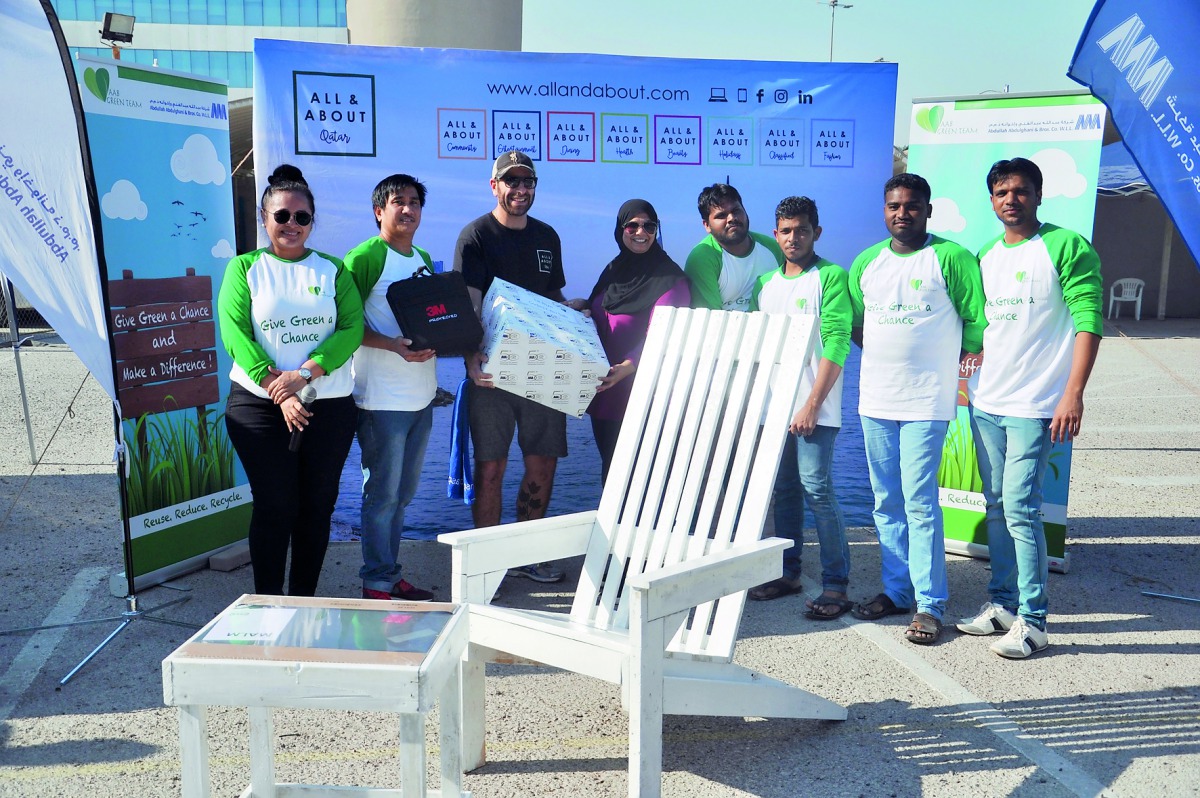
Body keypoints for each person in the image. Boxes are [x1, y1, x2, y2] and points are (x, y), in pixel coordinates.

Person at [956, 157, 1102, 658]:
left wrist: (1073, 392)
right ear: (992, 200)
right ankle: (1001, 604)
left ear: (1038, 195)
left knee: (1020, 507)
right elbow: (980, 326)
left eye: (1020, 191)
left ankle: (1034, 620)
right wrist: (967, 359)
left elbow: (1088, 321)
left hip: (1036, 403)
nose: (1010, 200)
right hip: (986, 401)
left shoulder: (1064, 246)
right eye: (1000, 192)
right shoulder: (984, 255)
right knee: (995, 503)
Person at [848, 173, 984, 645]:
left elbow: (977, 319)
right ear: (884, 210)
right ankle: (896, 591)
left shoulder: (951, 258)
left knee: (920, 501)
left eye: (911, 205)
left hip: (927, 400)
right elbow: (858, 325)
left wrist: (960, 357)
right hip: (875, 400)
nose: (901, 213)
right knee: (886, 503)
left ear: (928, 210)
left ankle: (930, 604)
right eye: (893, 205)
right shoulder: (866, 263)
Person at [218, 164, 363, 596]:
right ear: (265, 220)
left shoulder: (333, 270)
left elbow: (351, 329)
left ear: (312, 222)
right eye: (281, 216)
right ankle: (266, 603)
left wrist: (304, 374)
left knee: (317, 509)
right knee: (277, 505)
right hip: (259, 406)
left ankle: (302, 602)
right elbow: (233, 331)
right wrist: (276, 388)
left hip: (328, 405)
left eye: (302, 217)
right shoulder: (244, 269)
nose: (292, 225)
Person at [453, 151, 588, 583]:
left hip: (543, 371)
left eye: (527, 182)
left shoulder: (548, 236)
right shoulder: (474, 235)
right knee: (490, 468)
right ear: (494, 185)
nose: (520, 190)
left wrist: (573, 312)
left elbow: (551, 297)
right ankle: (487, 563)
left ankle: (529, 554)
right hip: (491, 373)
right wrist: (471, 358)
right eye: (511, 182)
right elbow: (470, 303)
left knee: (542, 465)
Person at [747, 197, 853, 619]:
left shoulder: (829, 276)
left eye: (802, 230)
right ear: (776, 235)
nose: (794, 238)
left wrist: (811, 404)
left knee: (817, 490)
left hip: (815, 409)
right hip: (775, 408)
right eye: (786, 231)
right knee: (784, 491)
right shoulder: (765, 285)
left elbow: (838, 343)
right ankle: (787, 572)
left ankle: (836, 584)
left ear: (816, 233)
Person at [344, 174, 439, 602]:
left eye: (414, 201)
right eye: (397, 201)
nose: (407, 209)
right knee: (381, 497)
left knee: (402, 497)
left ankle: (389, 573)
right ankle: (376, 585)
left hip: (422, 396)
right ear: (379, 211)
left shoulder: (422, 256)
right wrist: (391, 347)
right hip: (381, 400)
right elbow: (343, 324)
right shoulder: (365, 257)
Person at [587, 199, 691, 482]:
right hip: (605, 393)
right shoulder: (612, 272)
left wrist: (630, 365)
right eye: (632, 225)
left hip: (644, 393)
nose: (640, 231)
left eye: (649, 225)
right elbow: (601, 313)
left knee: (642, 481)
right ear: (620, 230)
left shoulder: (671, 279)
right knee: (611, 475)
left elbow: (666, 333)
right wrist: (583, 307)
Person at [685, 183, 783, 311]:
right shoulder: (702, 257)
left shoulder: (773, 248)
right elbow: (709, 320)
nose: (731, 218)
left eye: (736, 211)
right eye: (721, 215)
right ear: (707, 225)